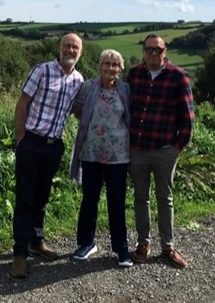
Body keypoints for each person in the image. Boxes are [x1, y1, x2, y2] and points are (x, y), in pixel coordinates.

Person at [11, 33, 84, 279]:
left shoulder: (78, 80)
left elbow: (78, 112)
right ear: (59, 48)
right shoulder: (41, 71)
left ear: (80, 52)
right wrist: (20, 139)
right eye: (67, 45)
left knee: (42, 197)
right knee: (25, 198)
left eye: (75, 47)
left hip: (54, 147)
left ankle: (36, 241)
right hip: (31, 143)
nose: (70, 50)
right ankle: (20, 253)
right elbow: (22, 104)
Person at [126, 33, 195, 269]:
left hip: (165, 149)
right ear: (144, 51)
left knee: (165, 199)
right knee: (140, 197)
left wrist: (177, 147)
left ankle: (168, 247)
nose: (153, 53)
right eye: (149, 49)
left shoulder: (178, 76)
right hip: (138, 148)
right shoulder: (134, 74)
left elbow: (188, 117)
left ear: (165, 52)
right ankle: (143, 244)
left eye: (158, 49)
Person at [69, 49, 133, 268]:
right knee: (89, 200)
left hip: (118, 156)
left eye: (115, 64)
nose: (110, 68)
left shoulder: (125, 90)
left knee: (116, 202)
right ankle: (86, 243)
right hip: (91, 153)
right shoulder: (88, 87)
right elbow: (77, 110)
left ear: (120, 68)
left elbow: (130, 116)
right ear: (100, 66)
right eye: (106, 63)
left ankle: (121, 248)